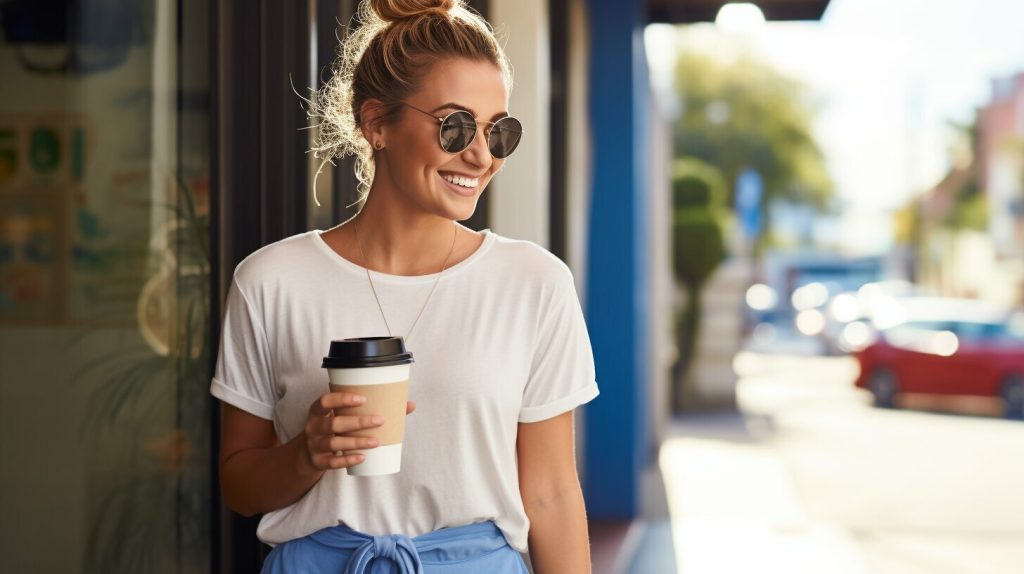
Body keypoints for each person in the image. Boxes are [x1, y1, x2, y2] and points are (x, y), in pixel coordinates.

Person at [210, 0, 600, 571]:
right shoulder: (270, 281)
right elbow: (239, 487)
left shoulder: (533, 283)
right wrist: (307, 455)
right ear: (376, 124)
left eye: (499, 132)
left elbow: (551, 494)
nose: (479, 154)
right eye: (455, 125)